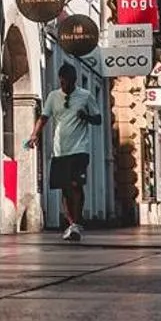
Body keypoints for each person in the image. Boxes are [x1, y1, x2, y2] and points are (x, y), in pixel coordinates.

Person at [26, 64, 101, 241]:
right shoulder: (53, 97)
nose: (65, 85)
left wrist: (87, 117)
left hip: (79, 149)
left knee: (76, 185)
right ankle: (71, 224)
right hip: (60, 151)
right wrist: (34, 134)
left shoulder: (85, 96)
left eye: (69, 82)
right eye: (63, 81)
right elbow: (44, 117)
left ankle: (76, 222)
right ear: (60, 79)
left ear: (75, 80)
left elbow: (98, 119)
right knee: (65, 188)